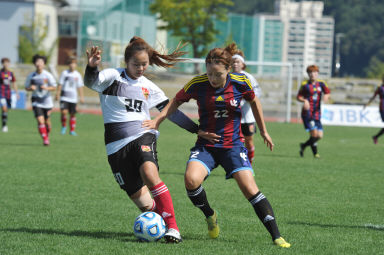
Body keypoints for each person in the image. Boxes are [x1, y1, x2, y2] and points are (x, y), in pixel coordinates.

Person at [143, 43, 291, 248]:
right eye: (209, 73)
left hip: (233, 146)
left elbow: (255, 102)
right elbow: (175, 101)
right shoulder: (197, 83)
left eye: (217, 74)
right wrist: (157, 120)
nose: (212, 78)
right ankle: (210, 215)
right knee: (190, 180)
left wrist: (263, 130)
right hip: (206, 146)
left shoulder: (241, 82)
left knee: (250, 189)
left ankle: (277, 236)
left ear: (228, 70)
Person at [84, 36, 199, 243]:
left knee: (149, 172)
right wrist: (91, 67)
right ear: (126, 62)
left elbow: (170, 112)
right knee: (146, 205)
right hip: (115, 148)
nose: (141, 68)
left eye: (144, 64)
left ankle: (173, 228)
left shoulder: (149, 86)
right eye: (136, 64)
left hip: (142, 134)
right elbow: (90, 82)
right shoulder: (112, 77)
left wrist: (197, 131)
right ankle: (160, 223)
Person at [231, 50, 262, 164]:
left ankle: (249, 164)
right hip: (232, 116)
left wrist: (248, 98)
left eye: (238, 62)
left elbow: (258, 92)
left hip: (248, 116)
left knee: (249, 141)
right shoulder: (227, 77)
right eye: (233, 61)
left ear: (243, 64)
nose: (235, 64)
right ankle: (237, 165)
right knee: (235, 141)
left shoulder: (249, 77)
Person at [297, 65, 330, 158]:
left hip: (317, 113)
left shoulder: (322, 84)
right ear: (308, 74)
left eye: (314, 72)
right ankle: (315, 154)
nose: (312, 74)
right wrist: (304, 100)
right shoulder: (305, 85)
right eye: (310, 73)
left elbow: (327, 92)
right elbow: (298, 97)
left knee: (319, 136)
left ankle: (303, 145)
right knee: (314, 134)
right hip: (307, 113)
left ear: (317, 73)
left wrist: (326, 96)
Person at [25, 55, 57, 146]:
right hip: (36, 100)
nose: (38, 64)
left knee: (47, 122)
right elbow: (26, 87)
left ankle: (47, 133)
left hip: (47, 101)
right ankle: (45, 139)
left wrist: (46, 88)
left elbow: (54, 87)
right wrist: (30, 88)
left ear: (44, 64)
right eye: (37, 62)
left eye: (41, 62)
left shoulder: (48, 75)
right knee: (40, 120)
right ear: (34, 63)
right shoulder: (31, 76)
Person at [55, 57, 84, 136]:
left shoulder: (77, 75)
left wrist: (81, 97)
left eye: (74, 63)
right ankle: (63, 127)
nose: (72, 65)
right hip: (64, 96)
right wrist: (57, 93)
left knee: (72, 114)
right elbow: (60, 84)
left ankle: (72, 130)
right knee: (64, 112)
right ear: (69, 64)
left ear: (76, 65)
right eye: (71, 63)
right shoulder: (64, 73)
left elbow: (80, 86)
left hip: (73, 98)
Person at [363, 75, 384, 144]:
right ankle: (376, 137)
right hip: (382, 109)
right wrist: (367, 104)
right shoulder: (380, 88)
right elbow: (373, 97)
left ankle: (376, 137)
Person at [0, 58, 18, 132]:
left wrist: (16, 93)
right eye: (4, 63)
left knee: (7, 109)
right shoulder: (0, 72)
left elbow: (14, 82)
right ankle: (4, 126)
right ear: (2, 64)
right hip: (1, 93)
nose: (6, 64)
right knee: (4, 108)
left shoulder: (11, 73)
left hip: (8, 93)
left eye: (7, 63)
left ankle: (4, 122)